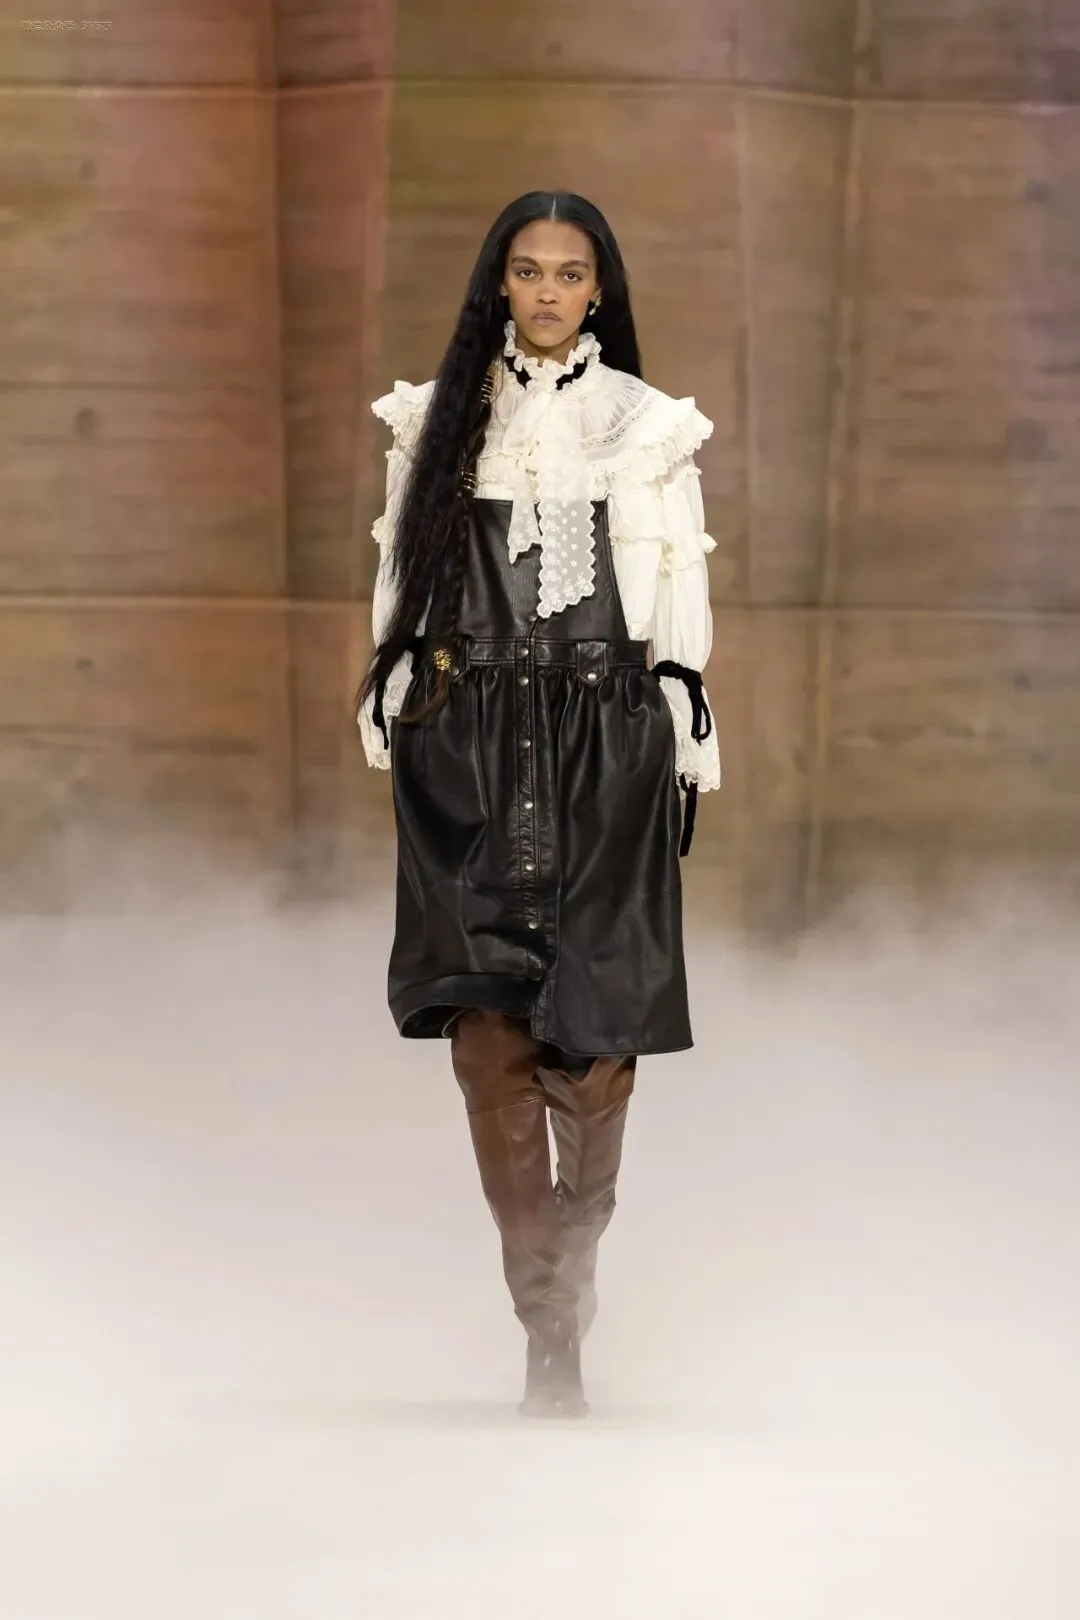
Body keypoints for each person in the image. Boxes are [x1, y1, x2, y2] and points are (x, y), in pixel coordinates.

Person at [356, 191, 720, 1418]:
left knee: (597, 1045)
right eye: (528, 271)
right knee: (487, 1029)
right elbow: (401, 579)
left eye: (570, 273)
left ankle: (574, 1257)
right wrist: (397, 705)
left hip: (603, 736)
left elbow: (673, 598)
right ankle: (545, 1322)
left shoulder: (647, 429)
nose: (549, 292)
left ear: (599, 288)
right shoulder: (438, 420)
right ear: (499, 284)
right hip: (466, 736)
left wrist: (680, 734)